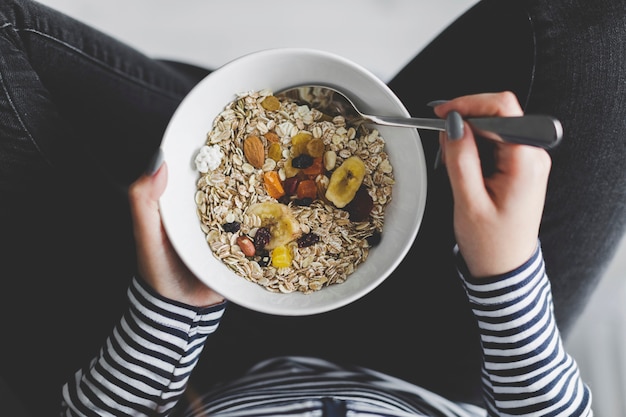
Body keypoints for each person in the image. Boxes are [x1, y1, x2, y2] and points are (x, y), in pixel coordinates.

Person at [0, 0, 624, 415]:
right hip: (450, 357)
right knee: (605, 29)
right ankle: (224, 109)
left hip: (204, 354)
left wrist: (167, 317)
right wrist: (506, 276)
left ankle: (193, 109)